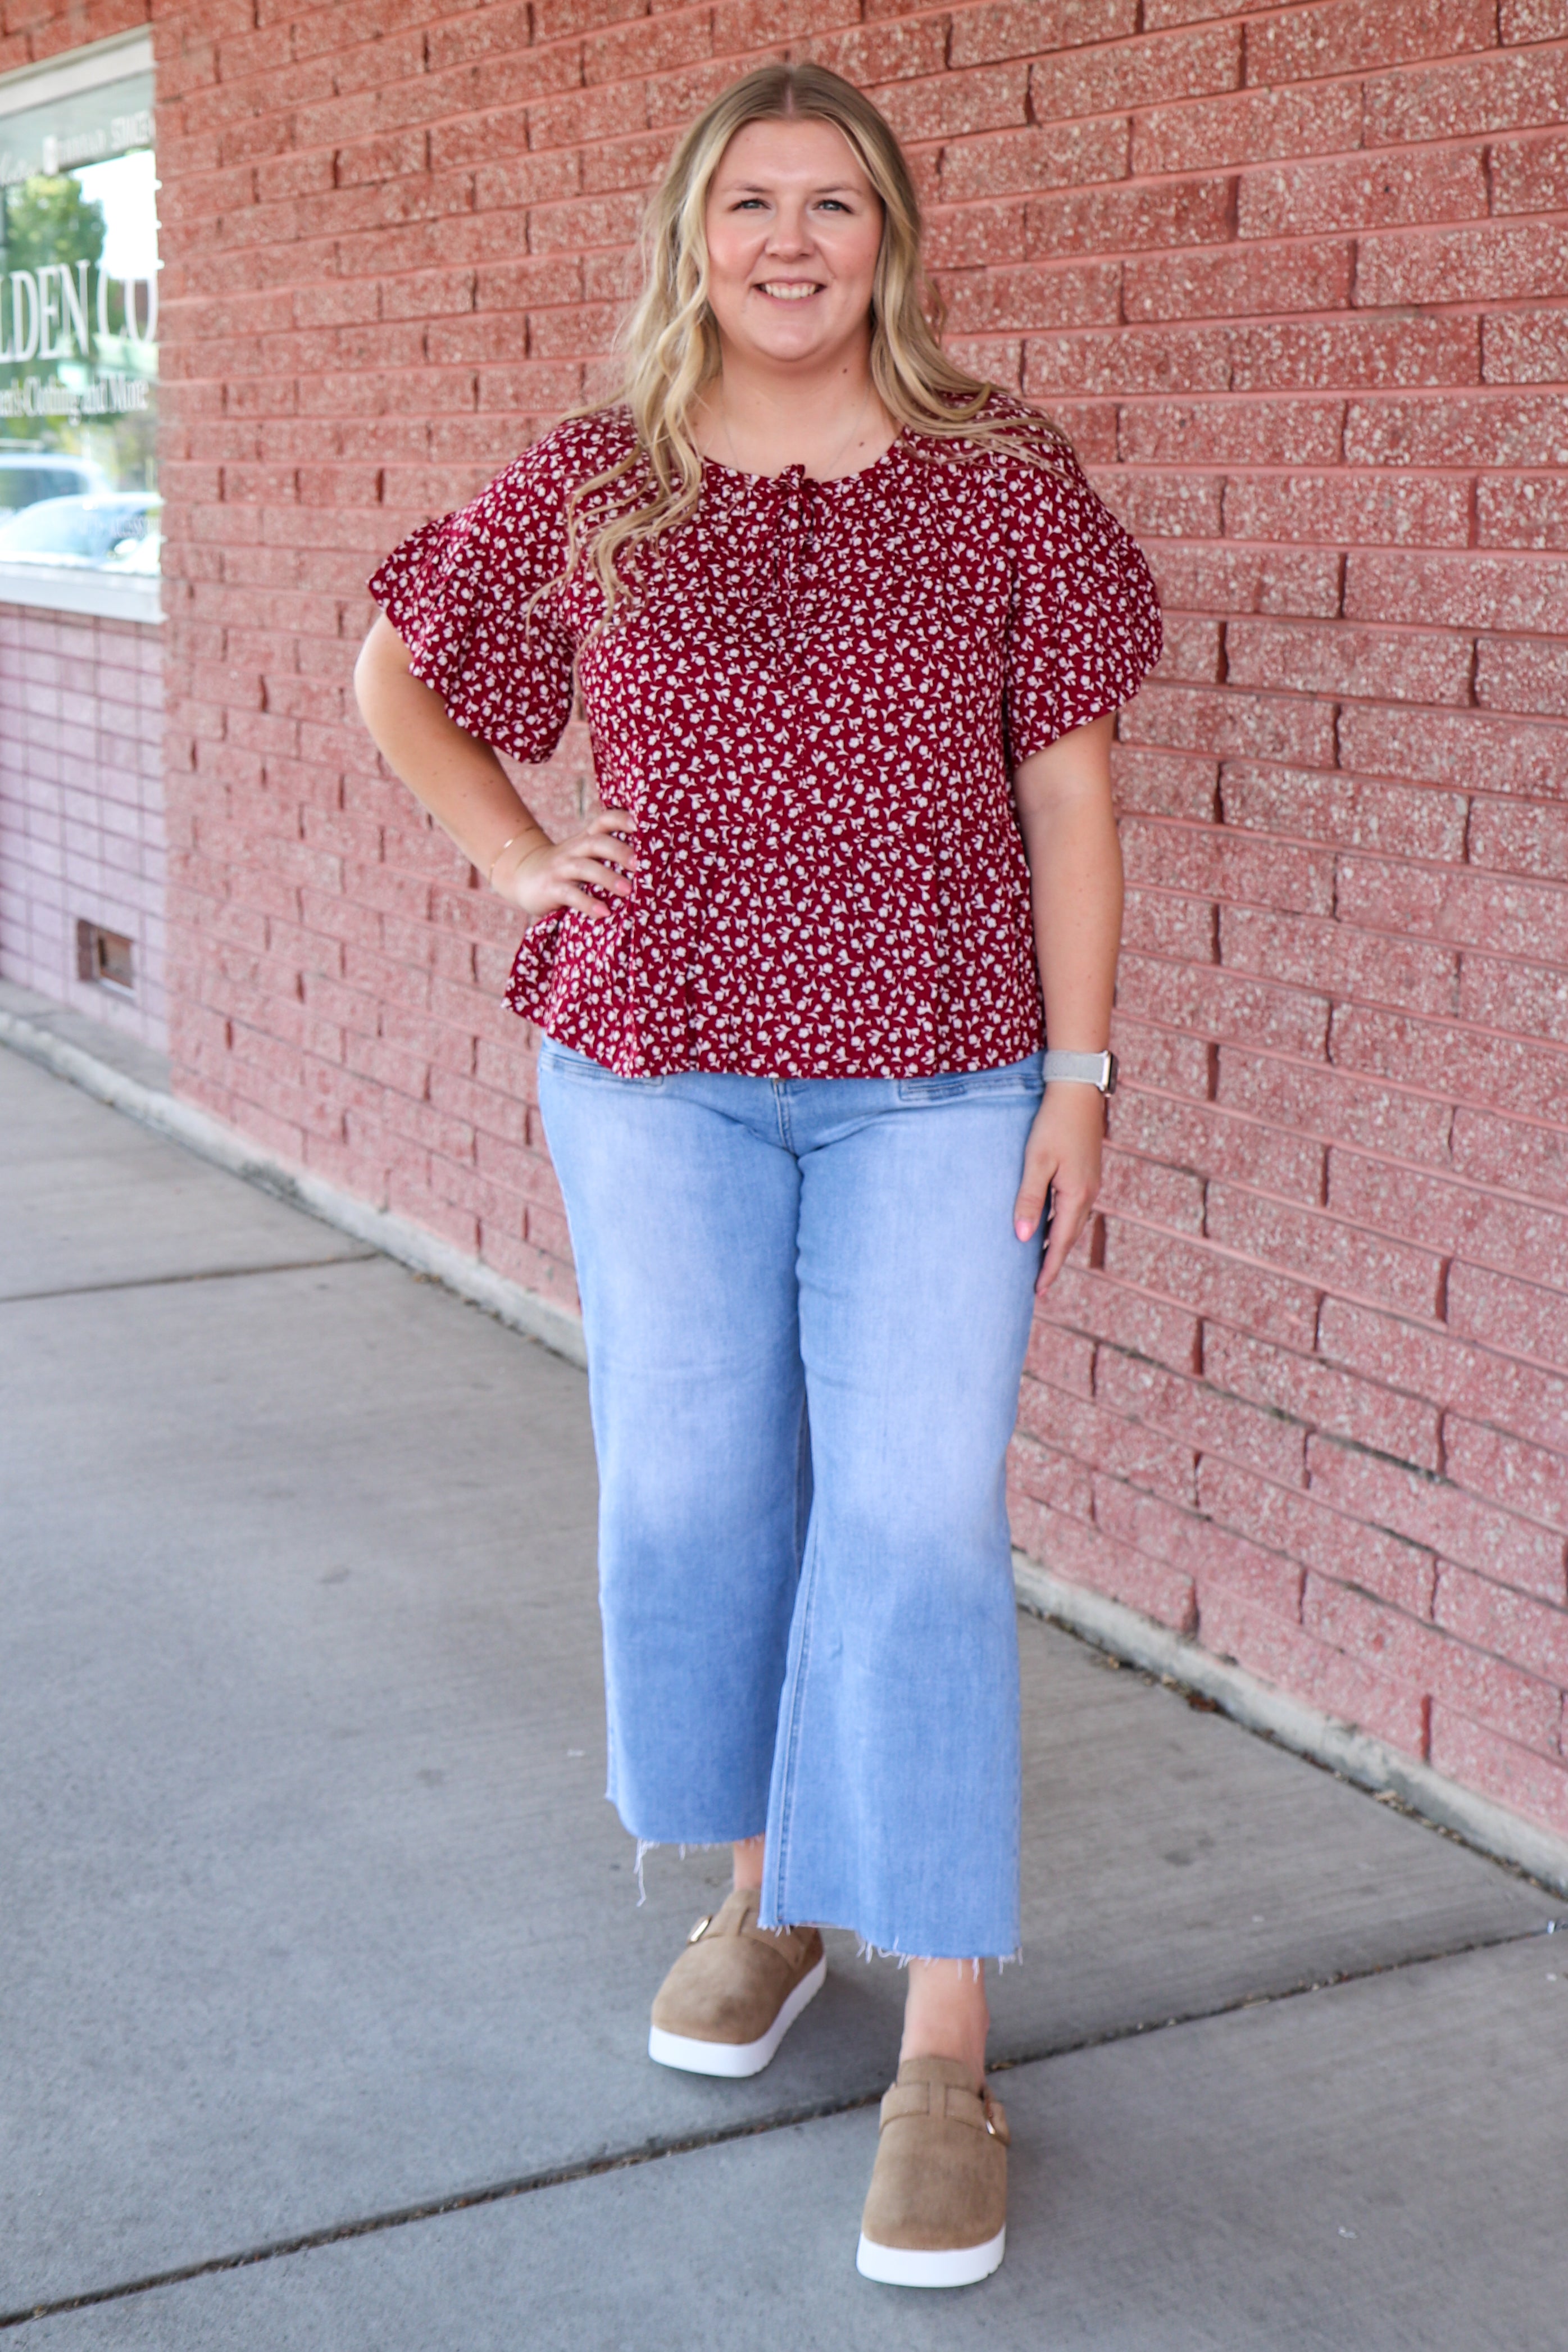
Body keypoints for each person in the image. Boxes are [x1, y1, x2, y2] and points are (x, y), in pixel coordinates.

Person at [355, 60, 1160, 2290]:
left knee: (908, 1517)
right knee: (694, 1494)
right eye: (748, 205)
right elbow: (399, 680)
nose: (790, 241)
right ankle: (765, 1893)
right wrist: (520, 855)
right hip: (653, 1076)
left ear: (890, 238)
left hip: (939, 1077)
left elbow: (1073, 801)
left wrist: (1078, 1079)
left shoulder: (997, 479)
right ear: (688, 238)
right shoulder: (600, 479)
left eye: (833, 204)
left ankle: (942, 2035)